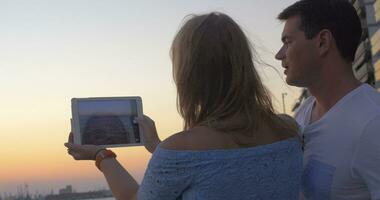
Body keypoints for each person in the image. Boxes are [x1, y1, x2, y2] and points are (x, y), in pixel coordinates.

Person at [65, 12, 302, 200]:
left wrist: (101, 155)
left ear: (189, 76)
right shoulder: (289, 130)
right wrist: (158, 148)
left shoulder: (178, 152)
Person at [275, 0, 380, 199]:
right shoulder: (303, 113)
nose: (279, 55)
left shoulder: (372, 124)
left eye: (287, 42)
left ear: (322, 42)